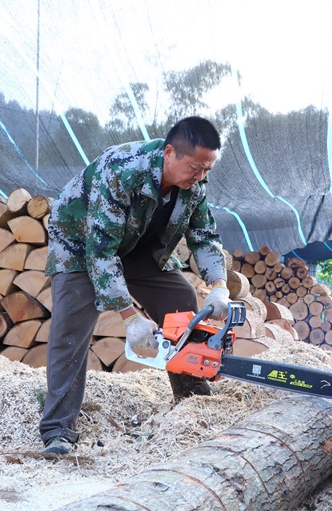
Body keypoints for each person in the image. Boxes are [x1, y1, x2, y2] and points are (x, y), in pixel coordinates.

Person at [40, 116, 231, 455]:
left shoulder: (195, 183)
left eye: (207, 170)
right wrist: (129, 318)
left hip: (140, 244)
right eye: (194, 168)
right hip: (80, 243)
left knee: (180, 297)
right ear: (169, 153)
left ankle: (191, 397)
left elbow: (204, 237)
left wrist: (219, 286)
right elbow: (100, 251)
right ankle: (58, 430)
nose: (200, 177)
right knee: (72, 324)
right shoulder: (122, 169)